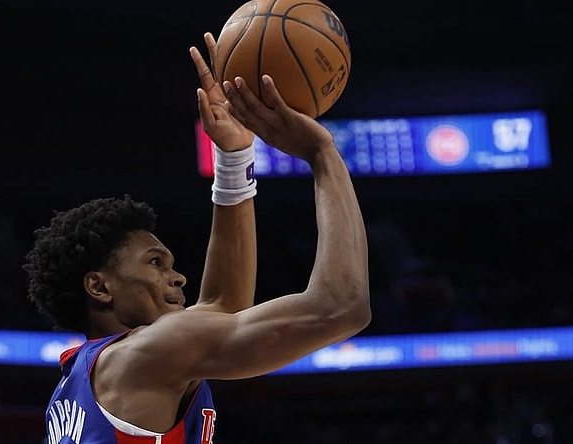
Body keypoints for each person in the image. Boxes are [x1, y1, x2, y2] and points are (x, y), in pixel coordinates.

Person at [23, 32, 370, 444]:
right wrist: (322, 153)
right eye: (155, 262)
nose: (180, 278)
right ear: (99, 286)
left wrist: (235, 156)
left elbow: (222, 306)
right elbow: (341, 307)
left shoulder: (80, 383)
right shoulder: (145, 355)